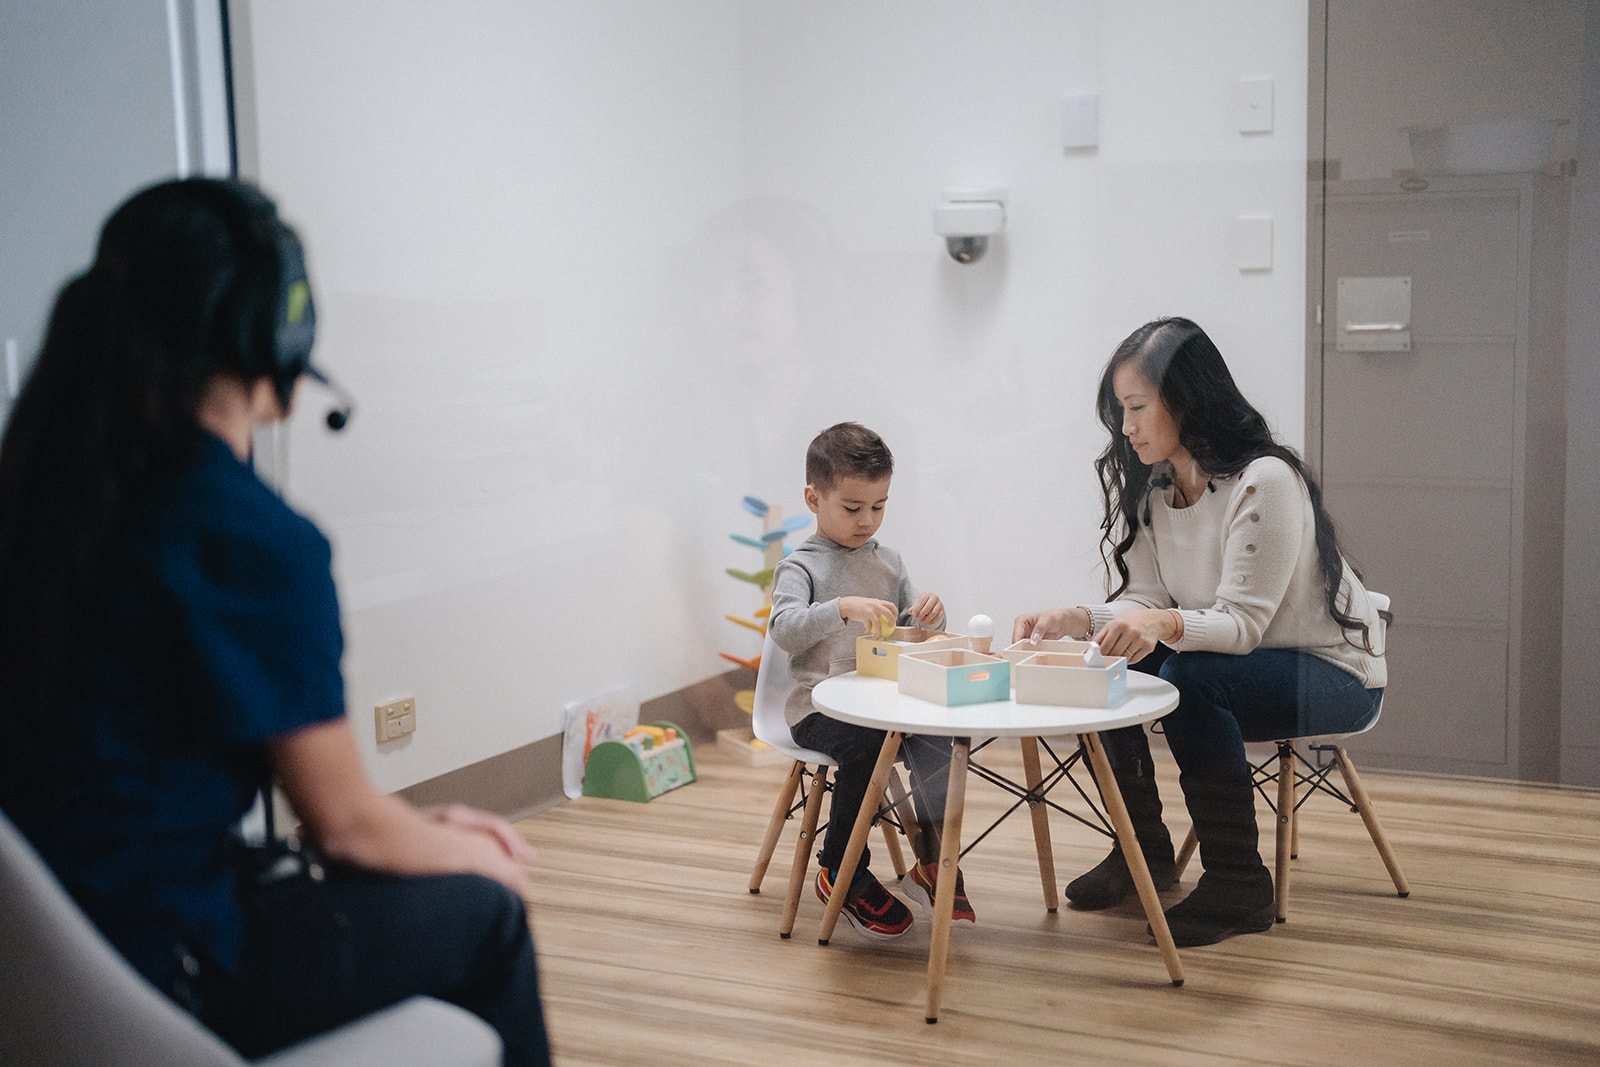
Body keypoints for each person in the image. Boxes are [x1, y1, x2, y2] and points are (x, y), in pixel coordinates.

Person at [0, 178, 551, 1064]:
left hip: (38, 956)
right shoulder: (245, 535)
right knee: (489, 915)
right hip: (159, 965)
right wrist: (465, 855)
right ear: (281, 341)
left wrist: (423, 832)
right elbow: (345, 826)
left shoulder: (36, 497)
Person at [1012, 317, 1386, 948]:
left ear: (1184, 400)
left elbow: (1240, 626)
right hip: (1238, 664)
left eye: (1135, 408)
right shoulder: (1156, 485)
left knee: (1191, 675)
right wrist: (1081, 620)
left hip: (1330, 671)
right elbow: (1148, 600)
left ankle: (1239, 882)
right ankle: (1145, 853)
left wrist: (1161, 624)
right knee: (1106, 667)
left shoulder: (1264, 480)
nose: (1125, 428)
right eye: (1119, 412)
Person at [768, 422, 973, 939]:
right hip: (818, 709)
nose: (867, 521)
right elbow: (785, 631)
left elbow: (914, 633)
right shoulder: (800, 567)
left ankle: (931, 862)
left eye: (878, 506)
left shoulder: (890, 562)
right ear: (814, 499)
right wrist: (839, 608)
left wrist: (930, 616)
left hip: (882, 701)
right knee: (866, 745)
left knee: (938, 739)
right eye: (853, 508)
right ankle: (842, 867)